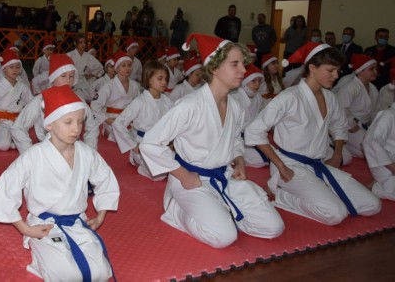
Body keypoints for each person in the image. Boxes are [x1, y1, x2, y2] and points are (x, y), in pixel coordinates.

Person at [140, 34, 284, 248]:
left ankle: (221, 209)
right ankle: (176, 210)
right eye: (235, 64)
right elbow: (150, 143)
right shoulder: (189, 105)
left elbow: (235, 137)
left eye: (243, 65)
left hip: (225, 174)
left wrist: (240, 161)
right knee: (223, 237)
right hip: (192, 179)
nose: (243, 71)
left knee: (274, 228)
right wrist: (182, 175)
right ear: (214, 68)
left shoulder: (235, 106)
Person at [0, 85, 119, 281]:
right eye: (68, 122)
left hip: (77, 222)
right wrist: (26, 229)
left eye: (80, 122)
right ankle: (40, 260)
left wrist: (100, 215)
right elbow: (5, 190)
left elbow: (106, 179)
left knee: (101, 272)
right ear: (49, 124)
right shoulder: (34, 155)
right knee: (68, 275)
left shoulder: (86, 153)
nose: (76, 129)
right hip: (44, 225)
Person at [245, 42, 382, 225]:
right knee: (335, 214)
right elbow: (254, 131)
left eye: (337, 70)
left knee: (373, 205)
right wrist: (279, 165)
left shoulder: (329, 97)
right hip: (290, 166)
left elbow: (339, 126)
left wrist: (337, 154)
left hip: (320, 163)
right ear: (312, 68)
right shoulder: (289, 97)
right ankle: (281, 193)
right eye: (330, 70)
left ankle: (320, 193)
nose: (335, 75)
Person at [11, 54, 100, 153]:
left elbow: (92, 126)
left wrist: (90, 151)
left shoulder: (79, 101)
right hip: (48, 150)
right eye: (63, 76)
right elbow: (18, 127)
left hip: (73, 150)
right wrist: (29, 153)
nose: (68, 80)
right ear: (53, 78)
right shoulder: (40, 100)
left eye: (71, 76)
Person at [113, 60, 173, 180]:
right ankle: (139, 163)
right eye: (160, 78)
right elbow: (118, 123)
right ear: (148, 79)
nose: (164, 82)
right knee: (158, 176)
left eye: (166, 79)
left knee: (179, 165)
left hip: (161, 144)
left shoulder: (167, 101)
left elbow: (174, 123)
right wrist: (134, 145)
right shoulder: (140, 101)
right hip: (142, 145)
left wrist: (172, 143)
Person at [334, 54, 379, 158]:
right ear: (360, 71)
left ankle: (347, 146)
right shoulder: (350, 87)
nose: (376, 72)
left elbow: (375, 111)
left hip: (364, 126)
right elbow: (340, 108)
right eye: (372, 69)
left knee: (379, 147)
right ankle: (339, 143)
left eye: (376, 69)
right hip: (348, 128)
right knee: (371, 151)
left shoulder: (373, 88)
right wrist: (352, 126)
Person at [91, 51, 140, 142]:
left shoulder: (135, 85)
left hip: (128, 119)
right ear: (117, 69)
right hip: (112, 118)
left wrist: (133, 119)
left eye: (129, 65)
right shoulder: (109, 86)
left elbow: (139, 104)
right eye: (123, 66)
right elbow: (95, 105)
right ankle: (106, 130)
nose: (127, 68)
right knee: (121, 138)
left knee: (137, 138)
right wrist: (108, 120)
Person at [235, 64, 269, 168]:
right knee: (260, 160)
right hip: (238, 137)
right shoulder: (235, 97)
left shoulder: (258, 97)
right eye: (253, 81)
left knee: (271, 155)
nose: (257, 85)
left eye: (259, 81)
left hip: (253, 135)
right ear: (244, 82)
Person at [363, 102, 395, 201]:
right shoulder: (388, 115)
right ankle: (375, 187)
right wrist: (393, 167)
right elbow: (371, 142)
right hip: (385, 163)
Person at [67, 34, 104, 102]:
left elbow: (99, 68)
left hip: (85, 81)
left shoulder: (88, 56)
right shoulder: (69, 55)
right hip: (73, 82)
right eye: (81, 42)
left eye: (84, 42)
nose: (83, 44)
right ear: (75, 43)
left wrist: (91, 74)